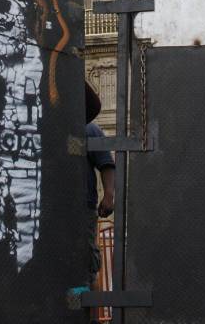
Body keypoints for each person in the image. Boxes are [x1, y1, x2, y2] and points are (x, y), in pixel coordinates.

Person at [84, 83, 115, 292]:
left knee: (87, 266)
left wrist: (109, 196)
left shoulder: (89, 129)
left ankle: (92, 318)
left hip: (82, 208)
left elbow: (106, 163)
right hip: (51, 209)